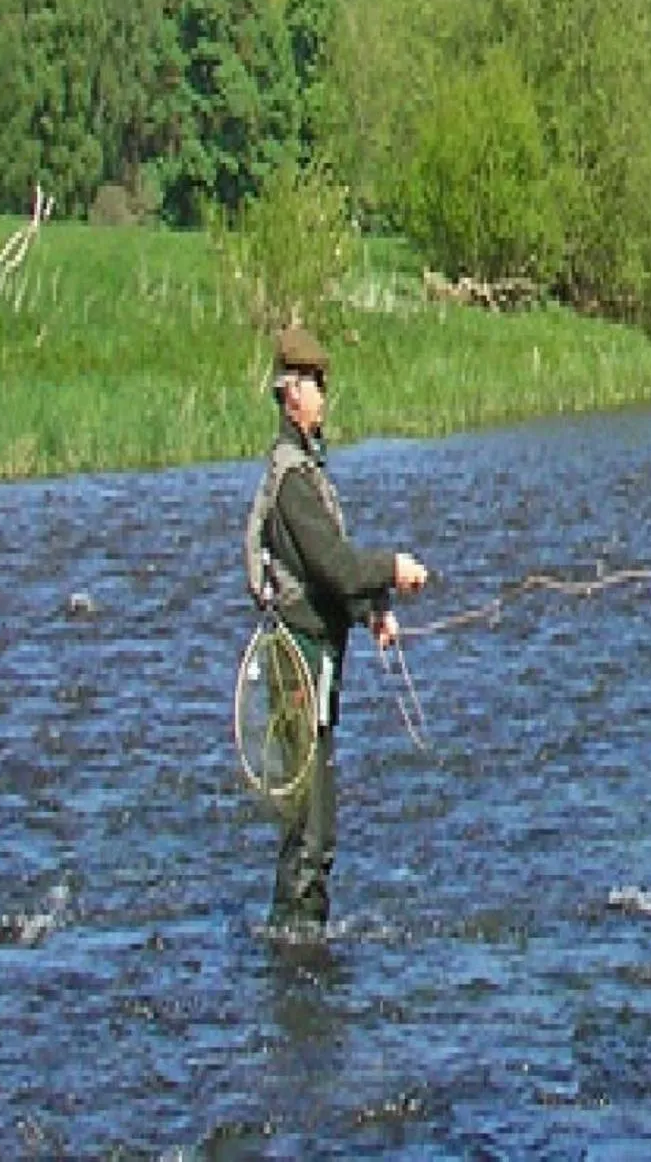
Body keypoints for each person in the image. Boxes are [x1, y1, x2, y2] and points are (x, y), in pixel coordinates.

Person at [247, 323, 428, 934]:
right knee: (309, 829)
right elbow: (334, 564)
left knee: (317, 829)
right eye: (317, 384)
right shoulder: (294, 482)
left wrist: (369, 612)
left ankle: (303, 948)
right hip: (297, 663)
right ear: (292, 392)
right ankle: (296, 956)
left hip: (316, 657)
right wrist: (391, 571)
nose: (325, 395)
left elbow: (324, 576)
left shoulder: (306, 471)